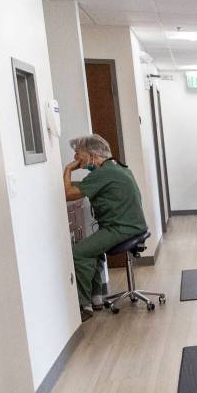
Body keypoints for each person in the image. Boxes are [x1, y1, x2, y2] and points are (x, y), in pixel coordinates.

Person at [64, 134, 147, 321]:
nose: (77, 159)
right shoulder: (117, 167)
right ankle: (96, 299)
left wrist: (68, 168)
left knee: (78, 252)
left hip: (122, 228)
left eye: (79, 155)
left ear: (93, 154)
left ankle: (83, 306)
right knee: (92, 248)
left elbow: (68, 194)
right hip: (133, 224)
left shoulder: (102, 173)